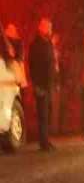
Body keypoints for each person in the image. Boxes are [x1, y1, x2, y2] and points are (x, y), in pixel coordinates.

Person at [27, 18, 56, 151]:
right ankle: (43, 143)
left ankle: (47, 140)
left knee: (48, 114)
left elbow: (52, 64)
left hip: (49, 85)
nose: (50, 29)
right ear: (41, 28)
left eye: (50, 27)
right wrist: (36, 85)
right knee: (42, 115)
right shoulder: (35, 45)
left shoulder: (49, 43)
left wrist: (55, 81)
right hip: (41, 86)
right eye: (48, 27)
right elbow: (32, 66)